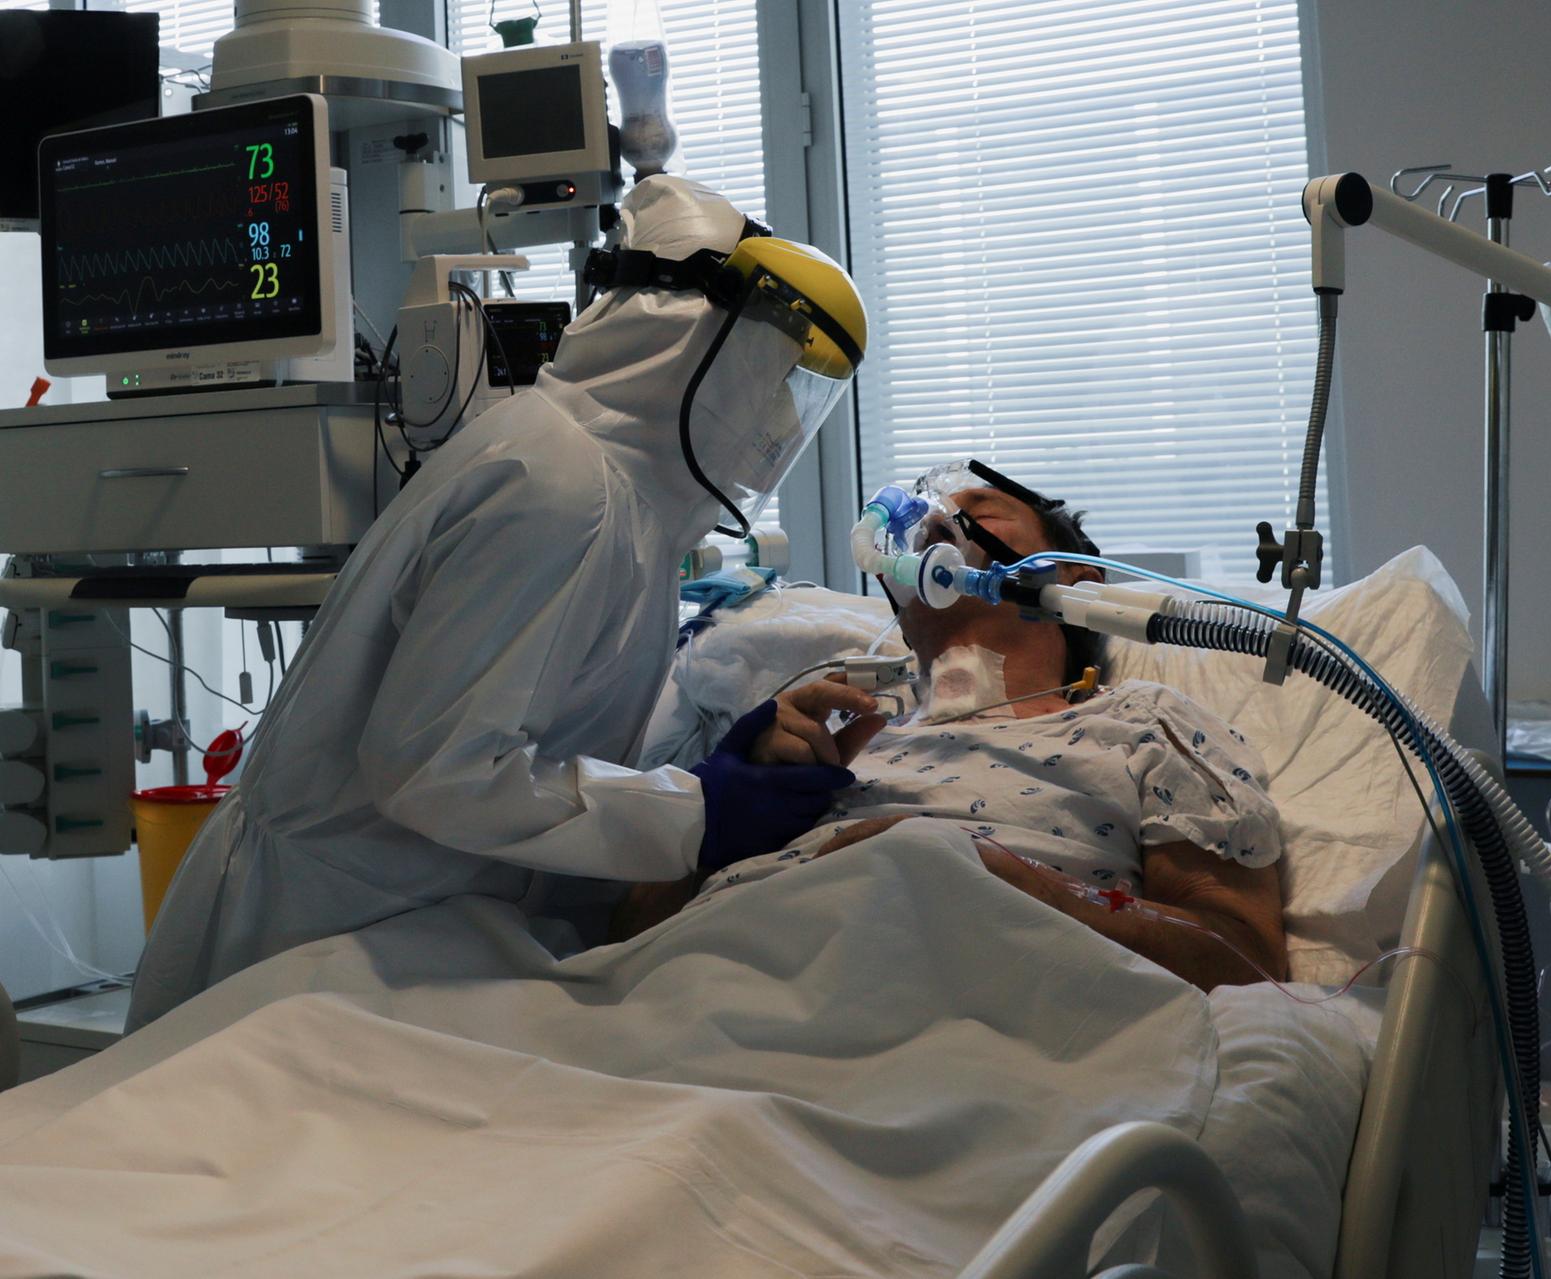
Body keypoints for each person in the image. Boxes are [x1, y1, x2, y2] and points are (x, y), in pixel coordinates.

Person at [128, 176, 874, 1030]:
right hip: (317, 943)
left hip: (410, 940)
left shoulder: (621, 498)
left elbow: (539, 735)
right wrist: (692, 811)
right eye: (772, 366)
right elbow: (437, 772)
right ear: (689, 335)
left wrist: (696, 777)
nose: (779, 412)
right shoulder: (557, 488)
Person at [613, 466, 1287, 991]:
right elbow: (625, 936)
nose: (937, 525)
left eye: (980, 512)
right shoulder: (826, 737)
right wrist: (715, 814)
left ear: (1077, 579)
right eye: (929, 527)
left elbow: (1246, 966)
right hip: (702, 998)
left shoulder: (1146, 727)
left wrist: (1001, 879)